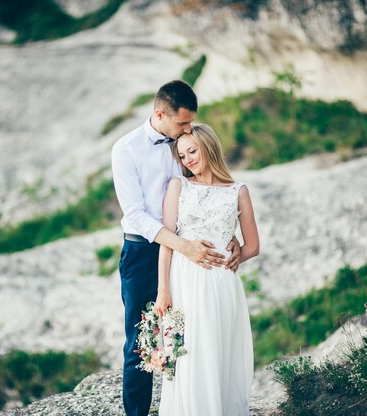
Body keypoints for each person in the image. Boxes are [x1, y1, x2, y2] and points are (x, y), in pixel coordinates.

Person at [111, 80, 242, 416]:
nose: (188, 130)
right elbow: (136, 215)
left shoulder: (183, 142)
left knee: (194, 334)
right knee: (142, 341)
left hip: (191, 257)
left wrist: (231, 237)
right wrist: (183, 246)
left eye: (190, 123)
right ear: (160, 113)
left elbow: (206, 186)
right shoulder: (125, 149)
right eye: (182, 123)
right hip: (143, 253)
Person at [155, 123, 259, 416]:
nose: (187, 159)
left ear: (208, 147)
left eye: (192, 151)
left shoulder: (238, 191)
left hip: (222, 285)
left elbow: (253, 245)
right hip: (185, 281)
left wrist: (236, 255)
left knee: (219, 352)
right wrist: (163, 289)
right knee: (191, 354)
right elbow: (167, 240)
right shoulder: (179, 185)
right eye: (182, 155)